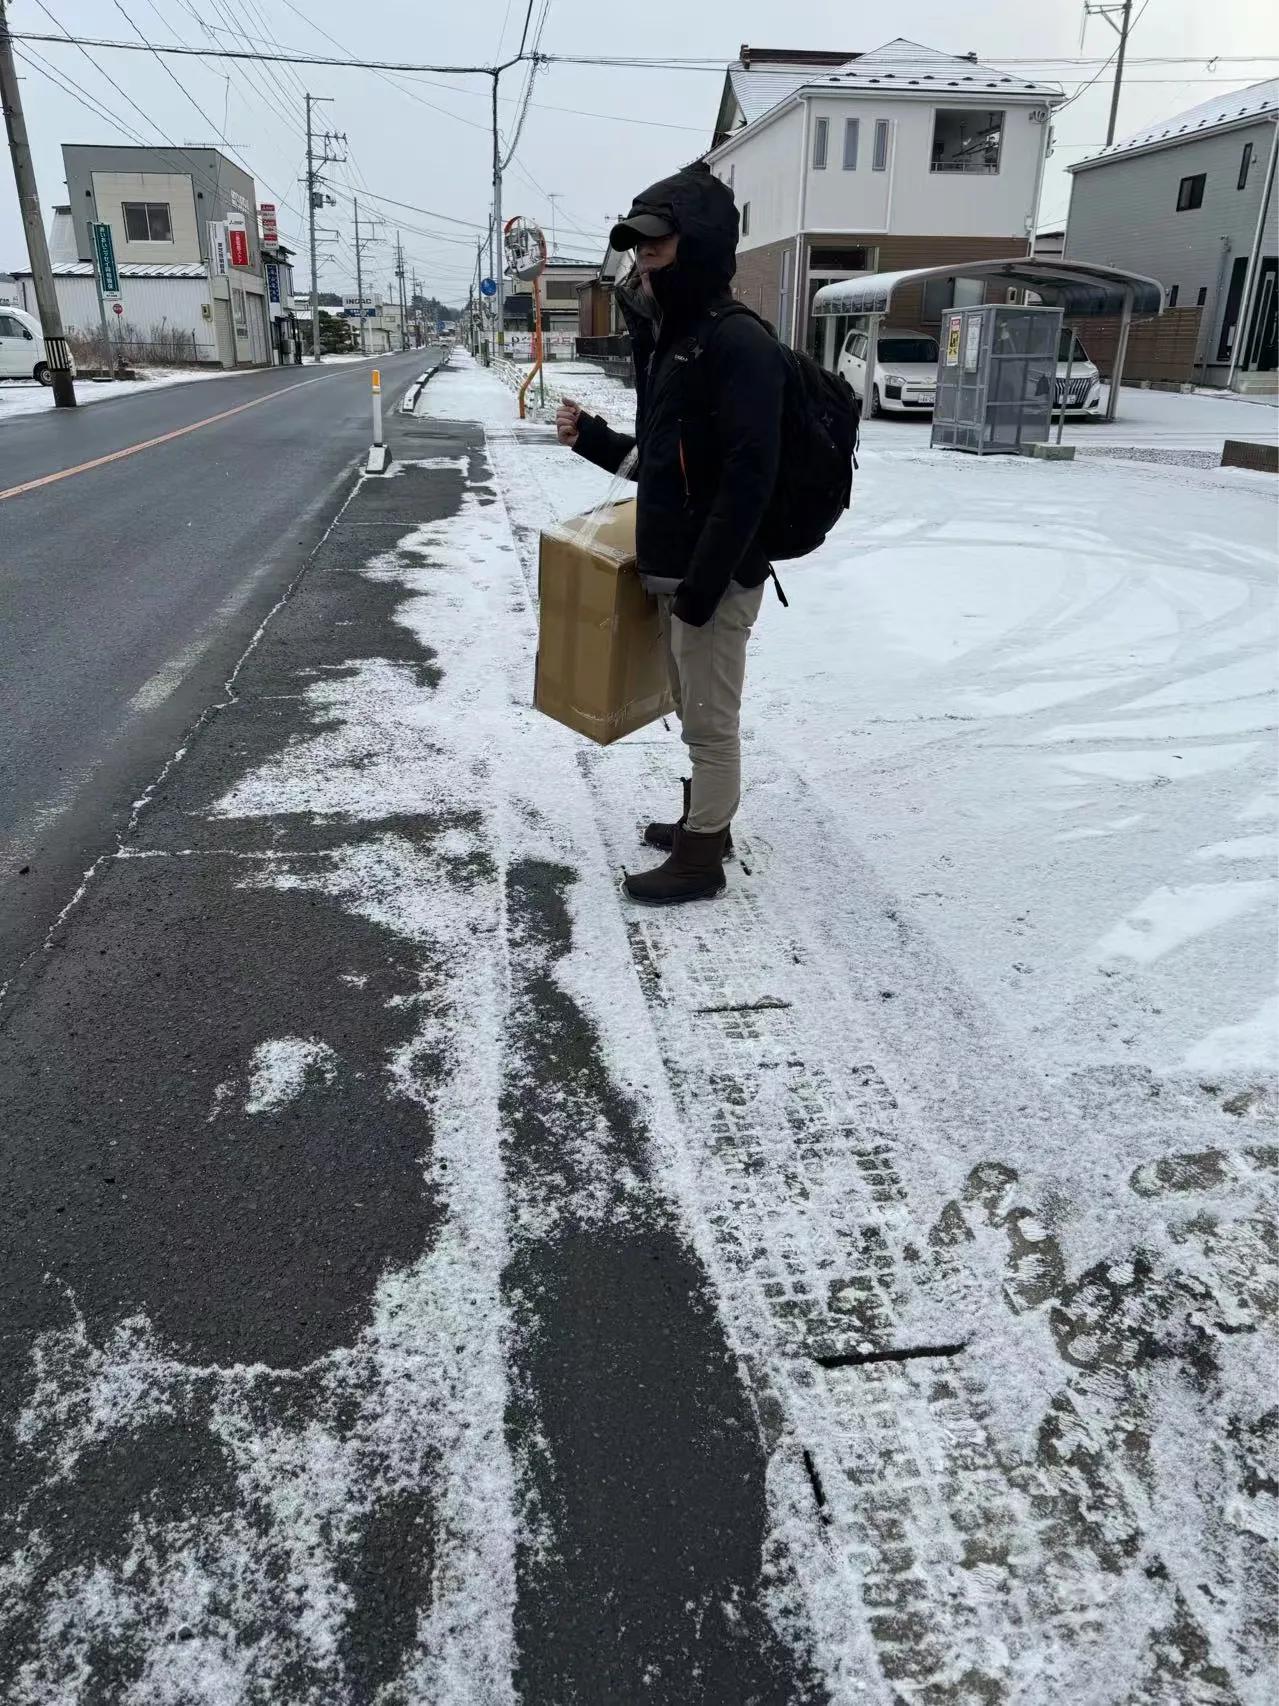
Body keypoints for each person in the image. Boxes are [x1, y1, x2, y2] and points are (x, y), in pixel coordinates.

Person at [555, 161, 786, 906]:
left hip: (714, 576)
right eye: (638, 251)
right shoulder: (673, 342)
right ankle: (701, 822)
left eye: (656, 248)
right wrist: (591, 439)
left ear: (700, 248)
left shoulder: (735, 342)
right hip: (679, 571)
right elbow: (667, 469)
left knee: (710, 725)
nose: (643, 263)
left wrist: (700, 587)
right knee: (691, 711)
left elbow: (749, 481)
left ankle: (700, 859)